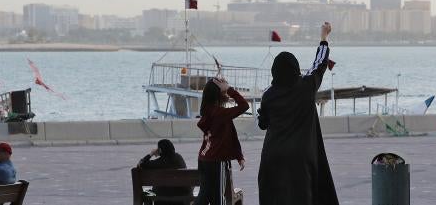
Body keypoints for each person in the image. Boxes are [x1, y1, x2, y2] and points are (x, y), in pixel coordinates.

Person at [257, 22, 339, 205]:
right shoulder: (306, 86)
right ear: (295, 69)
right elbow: (320, 64)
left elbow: (263, 123)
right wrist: (324, 38)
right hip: (301, 158)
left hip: (273, 156)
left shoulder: (268, 95)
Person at [195, 77, 249, 205]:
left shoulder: (209, 111)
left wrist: (239, 156)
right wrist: (230, 90)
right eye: (223, 91)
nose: (226, 94)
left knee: (204, 197)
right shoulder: (219, 113)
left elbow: (230, 135)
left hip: (204, 159)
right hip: (216, 161)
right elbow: (244, 106)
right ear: (218, 95)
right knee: (218, 200)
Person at [137, 139, 191, 205]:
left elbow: (140, 164)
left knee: (147, 192)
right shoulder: (179, 157)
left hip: (161, 195)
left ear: (160, 150)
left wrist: (151, 154)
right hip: (182, 194)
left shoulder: (158, 163)